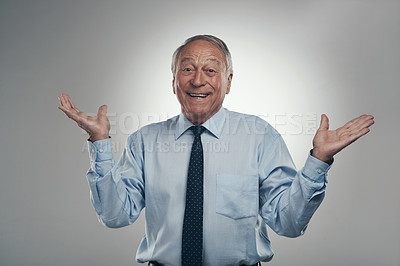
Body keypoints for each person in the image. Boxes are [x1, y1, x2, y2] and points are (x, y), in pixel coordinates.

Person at [58, 35, 374, 266]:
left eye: (210, 71)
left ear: (228, 81)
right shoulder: (144, 141)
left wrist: (318, 160)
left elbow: (288, 224)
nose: (198, 80)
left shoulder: (260, 136)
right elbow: (115, 216)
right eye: (187, 69)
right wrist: (100, 143)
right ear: (173, 81)